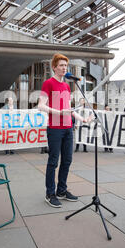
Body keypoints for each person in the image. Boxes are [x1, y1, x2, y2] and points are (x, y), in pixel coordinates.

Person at [38, 53, 92, 208]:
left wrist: (83, 119)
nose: (64, 68)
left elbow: (68, 109)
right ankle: (50, 193)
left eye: (65, 66)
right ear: (54, 67)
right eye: (61, 65)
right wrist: (59, 112)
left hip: (68, 128)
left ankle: (62, 190)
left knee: (67, 160)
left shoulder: (67, 86)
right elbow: (41, 105)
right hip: (55, 128)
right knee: (53, 161)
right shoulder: (48, 83)